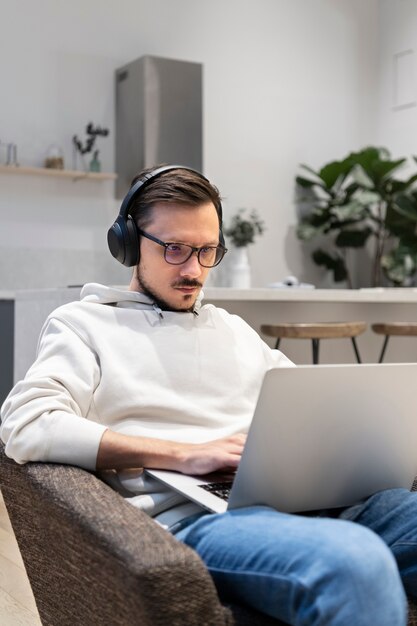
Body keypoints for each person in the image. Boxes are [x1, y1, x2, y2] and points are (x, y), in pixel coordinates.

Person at [1, 164, 417, 626]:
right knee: (353, 563)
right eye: (175, 249)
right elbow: (26, 424)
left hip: (297, 500)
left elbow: (310, 406)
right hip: (200, 521)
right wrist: (182, 454)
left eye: (207, 251)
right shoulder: (84, 325)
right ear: (127, 242)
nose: (194, 270)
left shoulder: (232, 329)